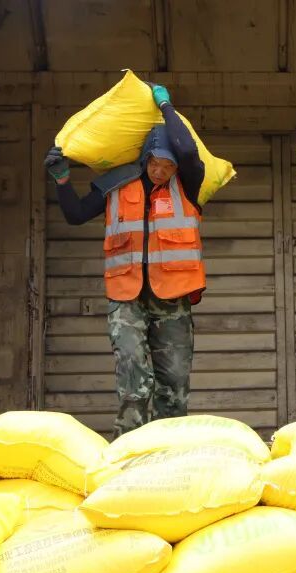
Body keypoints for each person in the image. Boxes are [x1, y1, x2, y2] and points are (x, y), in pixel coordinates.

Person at [43, 85, 205, 437]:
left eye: (168, 165)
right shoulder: (117, 184)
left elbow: (189, 151)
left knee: (174, 386)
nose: (160, 171)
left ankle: (168, 453)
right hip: (127, 297)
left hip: (172, 298)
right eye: (155, 163)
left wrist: (165, 104)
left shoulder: (187, 184)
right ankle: (129, 449)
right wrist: (62, 180)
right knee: (134, 381)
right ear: (145, 157)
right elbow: (75, 214)